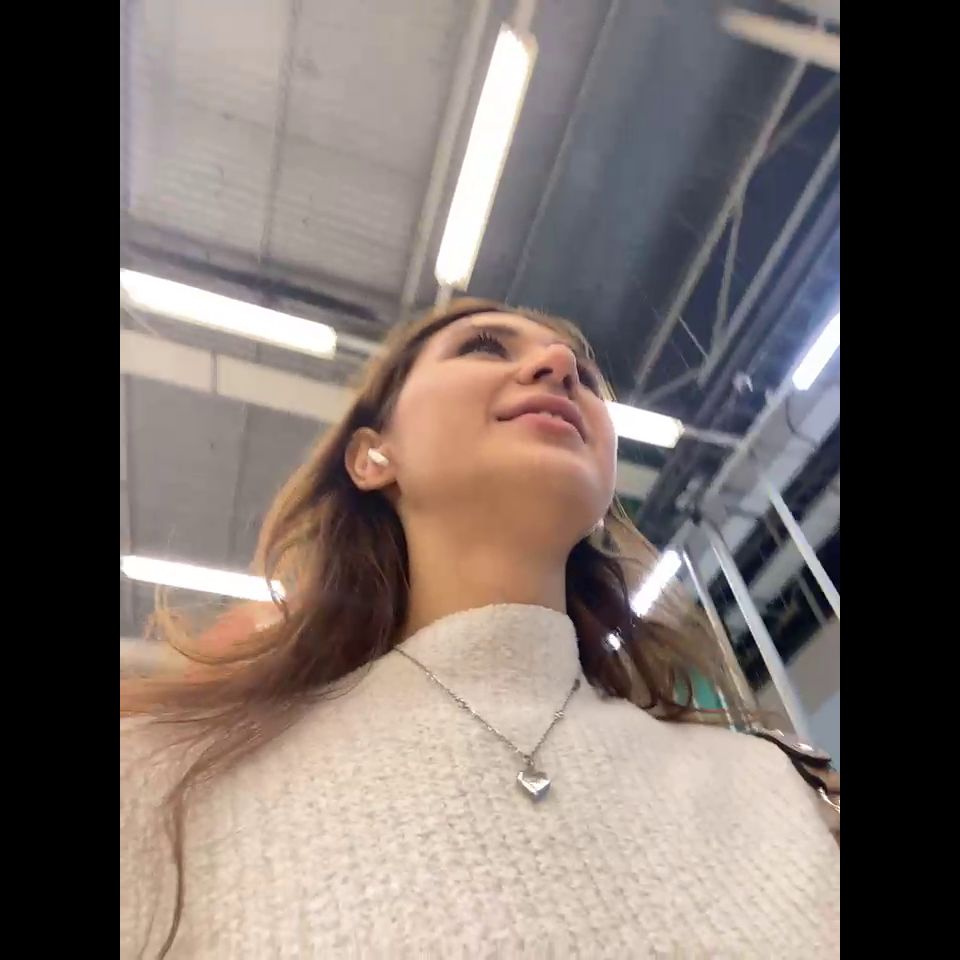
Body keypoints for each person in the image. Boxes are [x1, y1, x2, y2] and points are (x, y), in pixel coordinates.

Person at [120, 298, 840, 958]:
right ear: (372, 455)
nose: (560, 367)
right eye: (484, 346)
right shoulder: (166, 781)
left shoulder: (779, 786)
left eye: (586, 376)